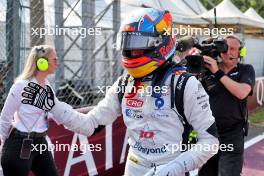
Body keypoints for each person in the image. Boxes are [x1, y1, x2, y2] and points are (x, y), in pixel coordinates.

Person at [21, 8, 219, 176]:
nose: (132, 52)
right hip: (134, 168)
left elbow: (210, 141)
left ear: (161, 43)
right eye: (128, 44)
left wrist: (173, 169)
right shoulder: (124, 83)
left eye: (138, 45)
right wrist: (53, 105)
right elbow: (89, 124)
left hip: (171, 168)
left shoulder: (185, 84)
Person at [198, 35, 255, 176]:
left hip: (232, 134)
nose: (228, 53)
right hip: (209, 133)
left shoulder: (246, 69)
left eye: (233, 49)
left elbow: (242, 92)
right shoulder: (207, 71)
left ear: (240, 52)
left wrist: (217, 72)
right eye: (224, 48)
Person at [0, 45, 59, 176]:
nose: (57, 63)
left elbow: (56, 111)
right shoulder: (20, 86)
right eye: (55, 60)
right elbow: (5, 117)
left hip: (40, 142)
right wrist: (6, 146)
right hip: (19, 143)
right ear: (42, 63)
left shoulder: (47, 85)